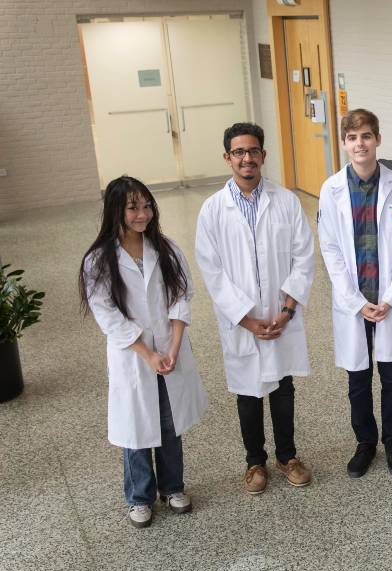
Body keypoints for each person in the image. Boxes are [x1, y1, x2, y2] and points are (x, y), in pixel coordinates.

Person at [80, 175, 208, 528]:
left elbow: (183, 296)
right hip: (133, 357)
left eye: (147, 205)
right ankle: (139, 497)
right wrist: (147, 353)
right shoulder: (99, 260)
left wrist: (173, 345)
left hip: (170, 349)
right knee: (135, 428)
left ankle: (173, 487)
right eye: (133, 207)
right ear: (115, 211)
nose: (143, 214)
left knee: (170, 423)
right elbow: (107, 314)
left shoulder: (165, 248)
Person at [195, 122, 315, 495]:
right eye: (239, 152)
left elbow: (304, 257)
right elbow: (212, 271)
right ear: (228, 158)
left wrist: (287, 310)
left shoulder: (286, 201)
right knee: (248, 391)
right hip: (242, 322)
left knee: (283, 386)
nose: (247, 158)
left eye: (254, 151)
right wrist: (245, 318)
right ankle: (254, 463)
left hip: (281, 316)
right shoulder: (213, 210)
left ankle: (288, 456)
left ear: (263, 155)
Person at [318, 109, 392, 478]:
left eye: (366, 136)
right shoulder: (331, 190)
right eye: (352, 137)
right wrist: (355, 301)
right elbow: (329, 249)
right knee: (357, 378)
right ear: (344, 144)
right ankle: (365, 443)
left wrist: (390, 297)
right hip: (353, 302)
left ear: (377, 139)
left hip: (388, 300)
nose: (360, 143)